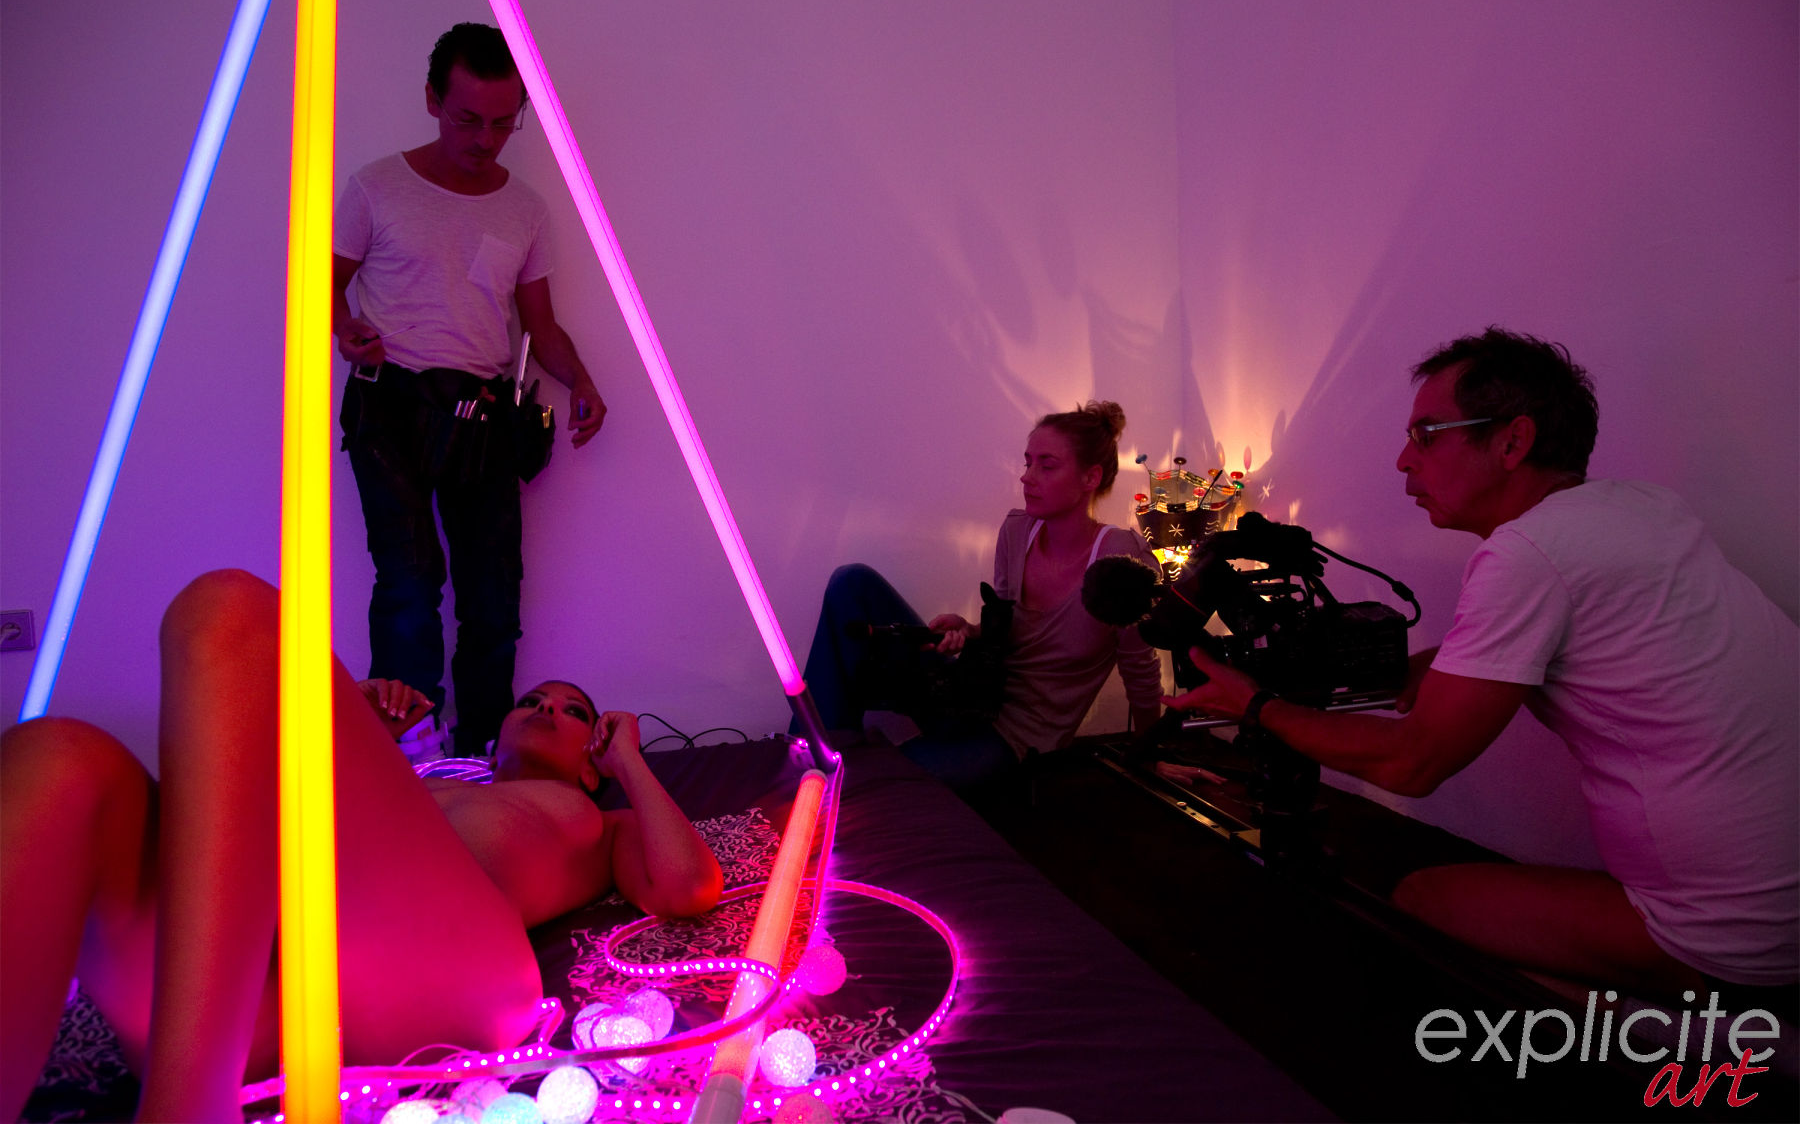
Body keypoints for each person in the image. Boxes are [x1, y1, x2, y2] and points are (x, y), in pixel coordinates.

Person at [1164, 329, 1798, 1006]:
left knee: (1420, 901)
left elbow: (1413, 765)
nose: (1404, 459)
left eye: (1427, 434)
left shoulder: (1527, 553)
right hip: (1781, 891)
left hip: (1741, 932)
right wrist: (1434, 664)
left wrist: (1255, 706)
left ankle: (1690, 1032)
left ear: (1513, 442)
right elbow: (1601, 630)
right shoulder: (1640, 508)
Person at [0, 568, 722, 1124]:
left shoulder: (600, 815)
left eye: (573, 712)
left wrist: (629, 761)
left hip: (443, 986)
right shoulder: (433, 778)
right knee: (59, 758)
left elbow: (689, 886)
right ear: (493, 737)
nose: (544, 709)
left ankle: (185, 1108)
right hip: (250, 988)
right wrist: (364, 739)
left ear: (592, 760)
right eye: (531, 701)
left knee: (230, 612)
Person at [333, 22, 606, 758]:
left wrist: (581, 380)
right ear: (432, 100)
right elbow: (321, 287)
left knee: (492, 599)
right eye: (467, 119)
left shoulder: (526, 210)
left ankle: (489, 756)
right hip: (389, 404)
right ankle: (405, 759)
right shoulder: (376, 188)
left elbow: (539, 325)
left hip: (481, 415)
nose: (485, 139)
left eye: (502, 123)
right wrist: (344, 326)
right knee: (410, 583)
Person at [800, 401, 1165, 792]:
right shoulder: (1017, 530)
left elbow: (1140, 672)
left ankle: (829, 771)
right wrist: (968, 631)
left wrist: (1149, 756)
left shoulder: (1121, 558)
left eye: (1046, 465)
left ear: (1090, 477)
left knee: (871, 784)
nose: (1027, 477)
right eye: (1027, 463)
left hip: (1017, 736)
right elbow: (1004, 631)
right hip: (970, 695)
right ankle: (811, 752)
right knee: (852, 582)